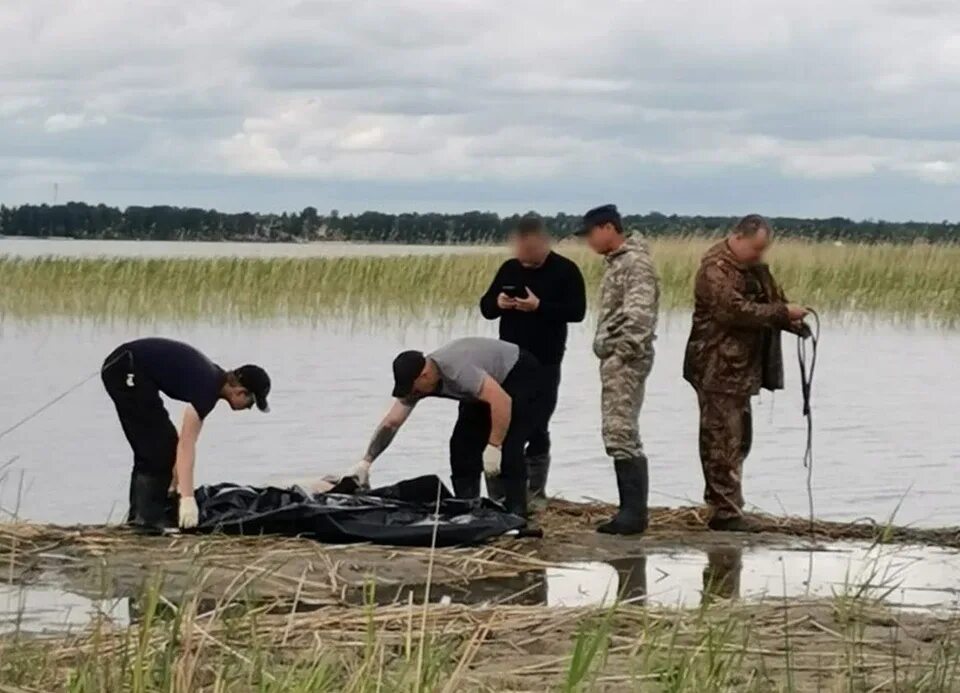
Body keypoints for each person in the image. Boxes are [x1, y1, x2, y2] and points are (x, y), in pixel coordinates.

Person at [683, 214, 808, 532]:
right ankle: (724, 512)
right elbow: (732, 310)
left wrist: (790, 322)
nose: (759, 255)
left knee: (739, 440)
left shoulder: (753, 269)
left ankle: (730, 505)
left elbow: (768, 304)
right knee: (720, 439)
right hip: (716, 367)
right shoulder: (714, 269)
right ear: (737, 237)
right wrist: (781, 313)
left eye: (763, 249)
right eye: (755, 248)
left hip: (741, 370)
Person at [346, 337, 544, 520]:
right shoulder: (418, 385)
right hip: (480, 389)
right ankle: (469, 507)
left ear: (425, 375)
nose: (413, 394)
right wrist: (366, 462)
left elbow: (501, 401)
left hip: (518, 372)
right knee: (461, 446)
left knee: (509, 447)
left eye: (414, 390)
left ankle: (517, 513)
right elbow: (392, 422)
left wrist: (494, 446)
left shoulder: (458, 371)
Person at [101, 338, 271, 530]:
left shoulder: (212, 382)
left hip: (130, 367)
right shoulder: (207, 387)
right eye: (251, 403)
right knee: (155, 450)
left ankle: (151, 514)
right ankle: (144, 522)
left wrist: (174, 487)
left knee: (163, 444)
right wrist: (188, 499)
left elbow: (181, 445)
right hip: (125, 367)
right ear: (241, 392)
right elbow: (187, 445)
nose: (249, 408)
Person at [479, 214, 586, 505]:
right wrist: (498, 303)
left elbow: (577, 311)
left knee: (537, 423)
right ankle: (499, 492)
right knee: (501, 421)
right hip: (507, 362)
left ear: (542, 244)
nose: (525, 262)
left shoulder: (566, 270)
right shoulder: (509, 269)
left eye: (531, 256)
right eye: (520, 255)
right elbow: (486, 307)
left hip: (546, 360)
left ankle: (536, 491)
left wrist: (539, 306)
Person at [576, 204, 659, 535]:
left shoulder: (634, 263)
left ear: (608, 228)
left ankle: (633, 515)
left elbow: (639, 315)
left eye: (590, 234)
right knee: (617, 430)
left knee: (620, 430)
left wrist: (621, 354)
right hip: (617, 358)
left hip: (626, 360)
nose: (589, 242)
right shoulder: (619, 262)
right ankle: (629, 510)